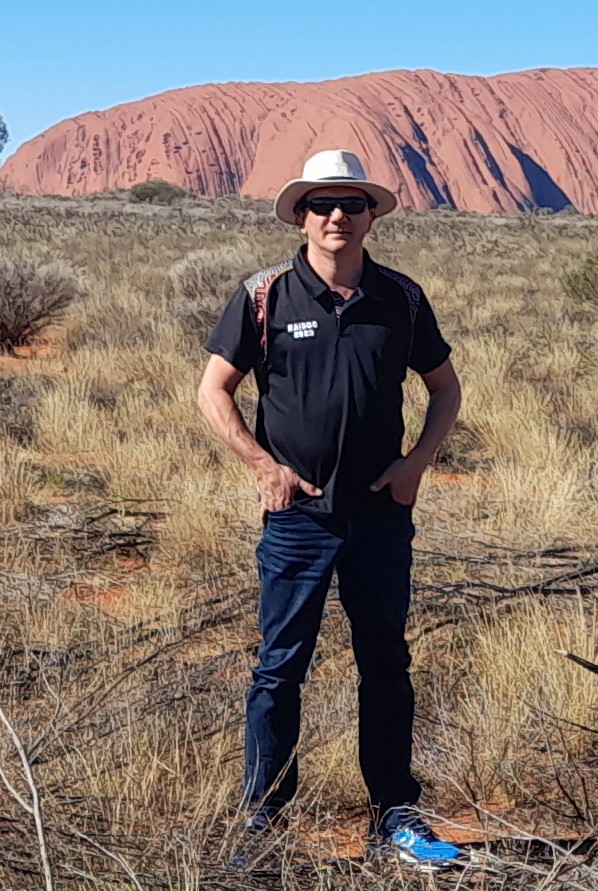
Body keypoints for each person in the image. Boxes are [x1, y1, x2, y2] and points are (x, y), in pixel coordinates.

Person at [198, 149, 463, 870]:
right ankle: (262, 820)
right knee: (279, 667)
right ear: (301, 215)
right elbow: (213, 390)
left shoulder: (400, 298)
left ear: (371, 214)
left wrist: (414, 466)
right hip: (298, 521)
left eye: (351, 203)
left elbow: (444, 387)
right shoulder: (265, 295)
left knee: (386, 663)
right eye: (321, 204)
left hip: (379, 516)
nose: (336, 216)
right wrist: (263, 466)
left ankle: (394, 815)